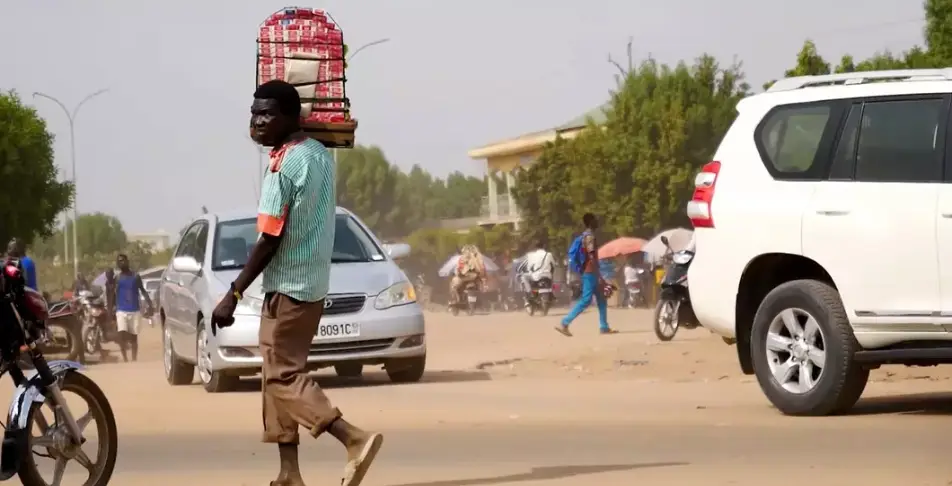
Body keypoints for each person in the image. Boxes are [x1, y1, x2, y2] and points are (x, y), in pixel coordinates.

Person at [210, 80, 383, 486]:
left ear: (290, 117)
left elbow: (269, 239)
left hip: (288, 288)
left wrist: (233, 293)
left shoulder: (282, 165)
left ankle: (352, 438)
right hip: (312, 287)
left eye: (266, 114)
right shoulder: (319, 155)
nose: (257, 123)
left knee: (281, 377)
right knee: (277, 374)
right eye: (253, 114)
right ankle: (289, 473)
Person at [555, 213, 617, 336]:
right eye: (595, 220)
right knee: (586, 300)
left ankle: (604, 327)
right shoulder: (589, 237)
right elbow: (591, 256)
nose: (597, 221)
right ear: (590, 222)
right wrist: (599, 276)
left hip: (590, 271)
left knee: (601, 299)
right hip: (590, 272)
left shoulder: (586, 236)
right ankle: (565, 322)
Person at [114, 254, 152, 362]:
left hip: (134, 310)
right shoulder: (117, 278)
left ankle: (134, 359)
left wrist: (150, 304)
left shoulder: (135, 276)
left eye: (122, 260)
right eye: (119, 261)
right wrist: (110, 309)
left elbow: (142, 290)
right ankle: (125, 359)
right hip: (121, 310)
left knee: (134, 337)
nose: (121, 263)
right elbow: (113, 294)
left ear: (127, 261)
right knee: (121, 335)